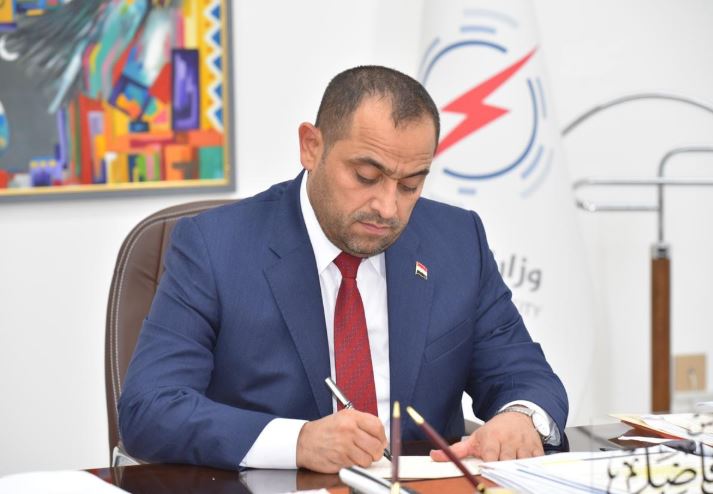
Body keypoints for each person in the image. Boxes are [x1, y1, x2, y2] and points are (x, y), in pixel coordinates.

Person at [118, 65, 568, 473]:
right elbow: (150, 408)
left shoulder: (457, 241)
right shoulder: (216, 246)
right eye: (366, 177)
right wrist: (297, 442)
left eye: (410, 185)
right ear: (311, 147)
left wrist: (520, 417)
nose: (387, 207)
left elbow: (525, 374)